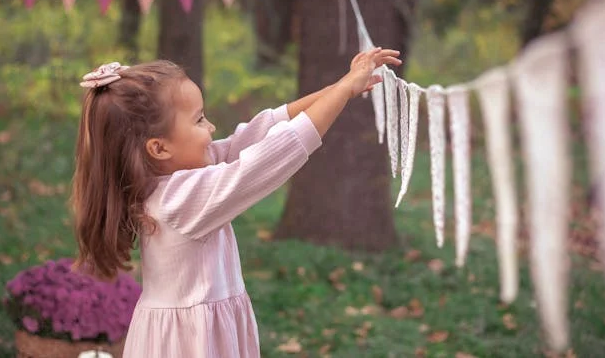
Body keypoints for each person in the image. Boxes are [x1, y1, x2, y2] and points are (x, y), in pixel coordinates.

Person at [71, 47, 401, 357]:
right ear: (159, 148)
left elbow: (257, 134)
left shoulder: (173, 177)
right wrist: (342, 91)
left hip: (195, 332)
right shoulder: (179, 200)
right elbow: (267, 158)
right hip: (188, 344)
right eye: (199, 119)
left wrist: (340, 88)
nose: (211, 127)